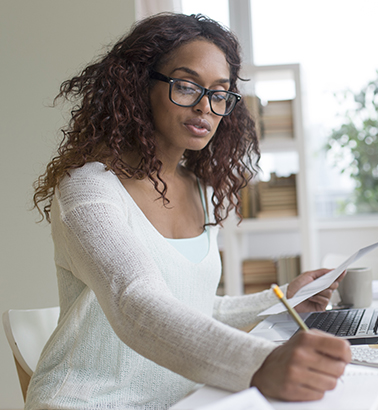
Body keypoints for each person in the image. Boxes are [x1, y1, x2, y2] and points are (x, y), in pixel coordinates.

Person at [28, 13, 350, 409]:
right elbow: (135, 303)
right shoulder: (89, 190)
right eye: (186, 86)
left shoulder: (200, 189)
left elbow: (194, 307)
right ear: (140, 86)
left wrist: (281, 301)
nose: (205, 107)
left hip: (186, 399)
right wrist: (260, 364)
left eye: (219, 93)